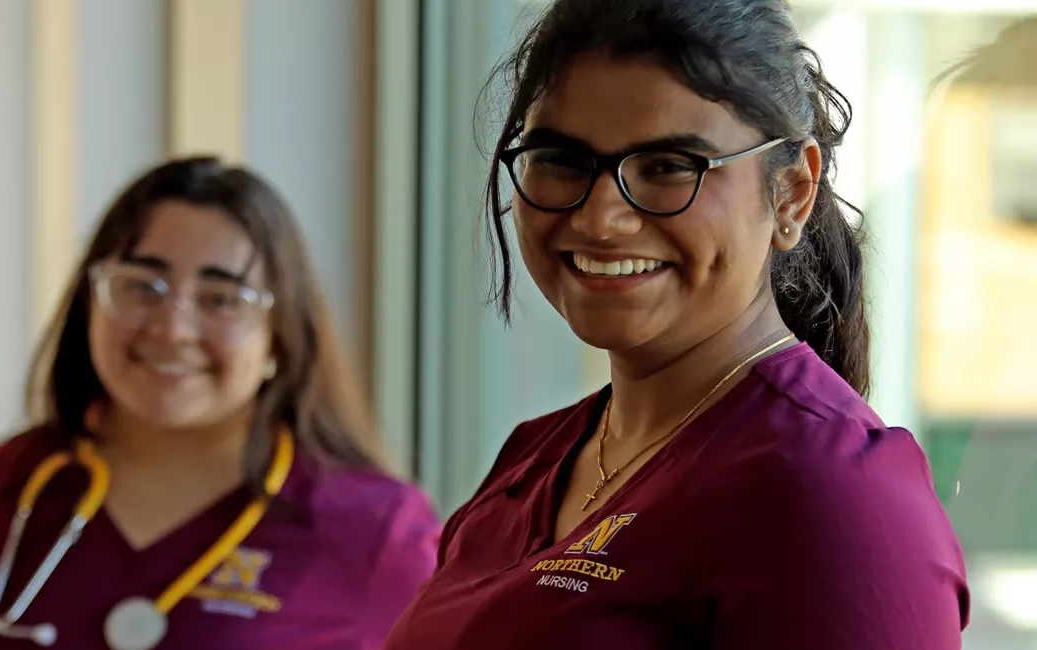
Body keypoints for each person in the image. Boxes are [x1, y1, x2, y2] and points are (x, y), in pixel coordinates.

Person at [382, 1, 969, 648]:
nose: (602, 218)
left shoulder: (833, 495)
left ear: (792, 193)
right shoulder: (534, 455)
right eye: (562, 160)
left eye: (668, 167)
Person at [0, 157, 440, 649]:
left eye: (221, 299)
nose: (172, 329)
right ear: (90, 302)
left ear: (279, 337)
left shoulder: (374, 533)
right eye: (142, 286)